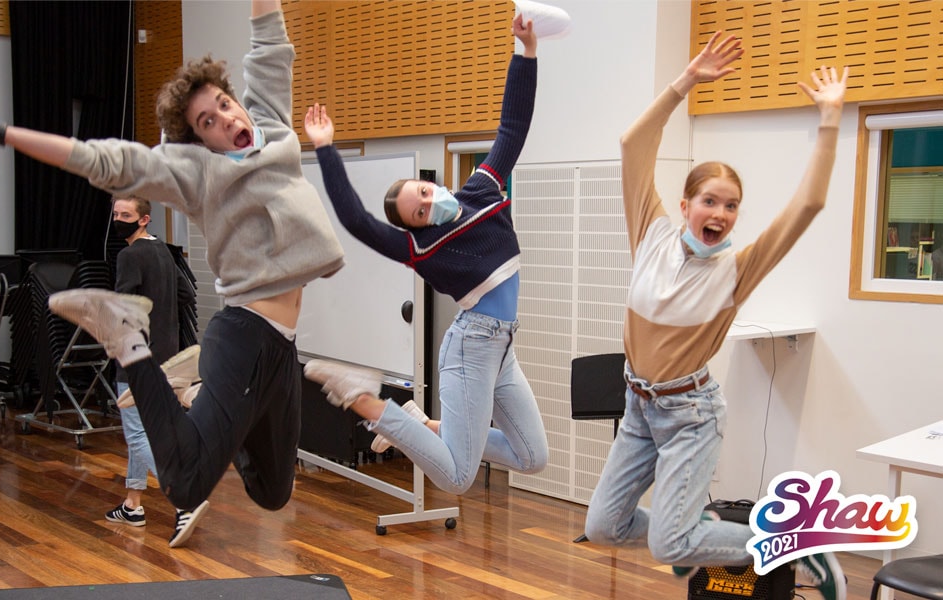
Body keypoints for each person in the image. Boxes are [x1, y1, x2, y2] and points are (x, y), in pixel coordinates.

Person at [0, 0, 345, 516]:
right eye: (208, 121)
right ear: (198, 140)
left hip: (282, 344)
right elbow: (100, 159)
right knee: (186, 483)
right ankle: (127, 340)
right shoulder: (198, 174)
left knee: (273, 491)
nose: (225, 119)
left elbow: (268, 36)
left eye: (224, 104)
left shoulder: (272, 125)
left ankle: (192, 397)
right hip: (244, 335)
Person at [580, 31, 849, 600]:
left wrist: (829, 120)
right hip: (638, 406)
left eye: (731, 206)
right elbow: (633, 143)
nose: (720, 214)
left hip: (690, 414)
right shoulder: (650, 232)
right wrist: (685, 82)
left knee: (670, 545)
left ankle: (791, 546)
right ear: (685, 206)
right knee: (603, 527)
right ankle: (704, 536)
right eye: (709, 201)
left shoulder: (736, 271)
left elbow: (809, 205)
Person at [299, 13, 548, 496]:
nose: (430, 204)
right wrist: (326, 149)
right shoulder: (423, 249)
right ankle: (368, 403)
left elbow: (512, 126)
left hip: (502, 347)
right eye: (420, 210)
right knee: (456, 477)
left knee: (532, 456)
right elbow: (356, 220)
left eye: (426, 193)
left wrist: (527, 51)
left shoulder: (482, 190)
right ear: (415, 226)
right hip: (471, 347)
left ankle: (427, 426)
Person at [102, 196, 208, 548]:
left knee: (136, 433)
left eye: (126, 215)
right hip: (165, 356)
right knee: (144, 429)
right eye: (116, 214)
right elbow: (185, 294)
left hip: (135, 358)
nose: (119, 220)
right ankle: (133, 505)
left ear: (144, 219)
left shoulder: (129, 255)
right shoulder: (163, 251)